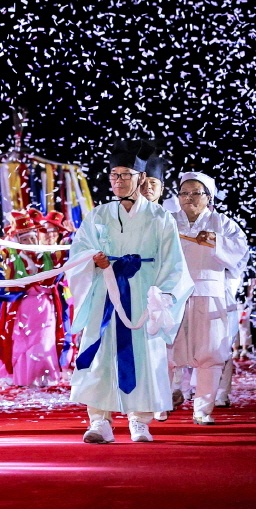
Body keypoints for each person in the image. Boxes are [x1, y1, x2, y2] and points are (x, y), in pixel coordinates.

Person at [67, 139, 193, 444]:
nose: (118, 181)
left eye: (125, 175)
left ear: (140, 179)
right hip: (105, 293)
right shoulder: (99, 214)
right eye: (114, 175)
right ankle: (100, 420)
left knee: (144, 354)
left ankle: (139, 420)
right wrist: (92, 261)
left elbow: (174, 262)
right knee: (100, 352)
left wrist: (162, 296)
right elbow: (79, 252)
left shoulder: (159, 217)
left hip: (142, 294)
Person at [167, 172, 248, 425]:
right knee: (166, 352)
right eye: (184, 193)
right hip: (172, 294)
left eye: (195, 193)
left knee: (210, 354)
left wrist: (216, 241)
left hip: (210, 293)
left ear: (208, 197)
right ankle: (162, 402)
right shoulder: (167, 222)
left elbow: (240, 252)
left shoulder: (222, 223)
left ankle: (203, 409)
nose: (188, 197)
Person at [0, 214, 65, 387]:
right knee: (26, 341)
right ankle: (26, 377)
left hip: (46, 304)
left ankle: (45, 376)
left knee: (45, 339)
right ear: (18, 240)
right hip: (24, 305)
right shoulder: (12, 254)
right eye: (25, 238)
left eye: (32, 237)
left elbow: (70, 254)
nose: (30, 241)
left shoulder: (48, 255)